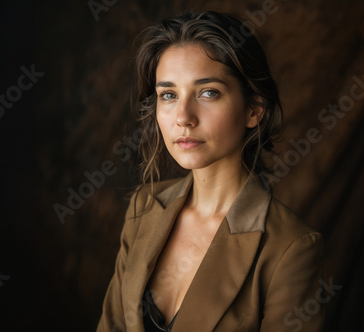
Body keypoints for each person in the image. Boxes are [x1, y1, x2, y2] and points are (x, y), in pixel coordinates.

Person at [97, 11, 324, 332]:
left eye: (208, 92)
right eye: (169, 95)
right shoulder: (144, 205)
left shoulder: (290, 248)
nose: (184, 117)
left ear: (253, 110)